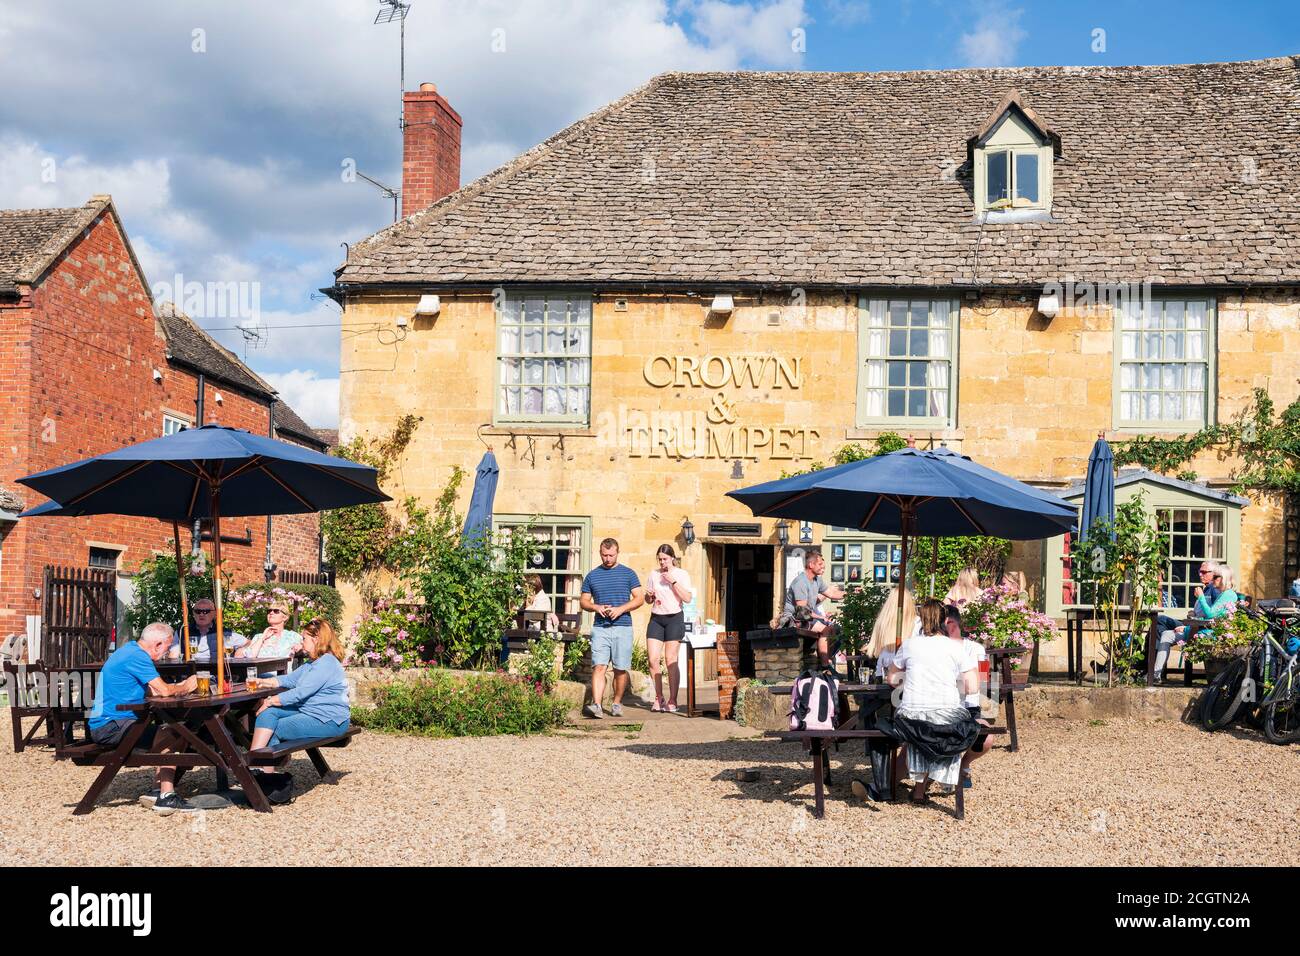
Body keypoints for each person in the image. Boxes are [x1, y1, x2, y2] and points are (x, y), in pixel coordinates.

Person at [88, 622, 199, 815]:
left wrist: (174, 688)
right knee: (173, 734)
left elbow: (150, 689)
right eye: (167, 647)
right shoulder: (137, 656)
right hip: (110, 726)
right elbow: (163, 690)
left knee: (174, 731)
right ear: (157, 644)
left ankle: (158, 791)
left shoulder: (130, 650)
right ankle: (166, 796)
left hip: (113, 721)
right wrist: (186, 686)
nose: (167, 652)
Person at [885, 599, 979, 803]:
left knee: (925, 728)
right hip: (947, 716)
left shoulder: (909, 645)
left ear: (921, 619)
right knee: (945, 725)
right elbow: (972, 687)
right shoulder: (955, 647)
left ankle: (915, 790)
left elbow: (892, 679)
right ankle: (940, 781)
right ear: (945, 620)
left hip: (911, 718)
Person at [250, 619, 349, 749]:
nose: (301, 642)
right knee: (267, 714)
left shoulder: (326, 662)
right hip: (310, 712)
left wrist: (269, 701)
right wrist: (262, 682)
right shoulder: (312, 663)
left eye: (304, 638)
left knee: (273, 728)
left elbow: (300, 692)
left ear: (316, 638)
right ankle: (258, 764)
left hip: (329, 720)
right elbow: (289, 679)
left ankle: (259, 766)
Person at [580, 538, 645, 719]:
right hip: (600, 628)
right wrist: (596, 607)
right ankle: (597, 705)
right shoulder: (592, 576)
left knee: (620, 668)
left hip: (622, 627)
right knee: (599, 667)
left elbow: (639, 598)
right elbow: (584, 601)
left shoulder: (628, 574)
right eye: (604, 555)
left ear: (617, 553)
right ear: (600, 553)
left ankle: (616, 702)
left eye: (611, 555)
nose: (607, 558)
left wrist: (620, 609)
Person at [1153, 562, 1240, 682]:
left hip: (1211, 633)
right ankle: (1156, 674)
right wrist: (1190, 622)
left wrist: (1201, 597)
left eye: (1215, 577)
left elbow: (1210, 615)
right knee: (1166, 634)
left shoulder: (1227, 595)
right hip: (1203, 629)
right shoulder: (1222, 594)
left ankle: (1154, 672)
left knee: (1161, 622)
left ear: (1223, 578)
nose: (1213, 579)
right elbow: (1210, 617)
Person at [944, 605, 992, 788]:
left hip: (968, 705)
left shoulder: (976, 648)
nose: (948, 627)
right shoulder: (935, 648)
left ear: (959, 623)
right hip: (942, 705)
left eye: (951, 623)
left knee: (985, 737)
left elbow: (983, 678)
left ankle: (964, 764)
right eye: (944, 623)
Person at [644, 544, 694, 713]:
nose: (662, 563)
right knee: (652, 659)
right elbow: (648, 599)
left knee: (670, 659)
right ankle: (659, 697)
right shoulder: (653, 574)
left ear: (672, 558)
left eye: (665, 559)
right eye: (660, 559)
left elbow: (687, 598)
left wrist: (672, 581)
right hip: (657, 618)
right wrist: (649, 596)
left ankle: (673, 699)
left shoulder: (681, 574)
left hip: (674, 618)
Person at [781, 548, 845, 665]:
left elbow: (831, 594)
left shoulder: (816, 580)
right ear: (811, 564)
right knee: (826, 629)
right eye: (820, 564)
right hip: (793, 619)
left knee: (836, 630)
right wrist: (822, 618)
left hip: (805, 617)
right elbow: (803, 613)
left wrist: (850, 594)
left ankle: (826, 660)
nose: (823, 567)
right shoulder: (801, 582)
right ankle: (825, 666)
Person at [867, 586, 921, 678]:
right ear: (909, 602)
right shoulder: (917, 622)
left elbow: (874, 649)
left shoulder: (881, 622)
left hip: (884, 673)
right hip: (907, 673)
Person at [169, 598, 247, 661]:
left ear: (215, 614)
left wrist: (242, 649)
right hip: (190, 674)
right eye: (198, 611)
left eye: (206, 611)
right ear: (193, 613)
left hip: (216, 674)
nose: (201, 614)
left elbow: (248, 642)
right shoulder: (183, 632)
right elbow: (173, 656)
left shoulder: (224, 632)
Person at [236, 599, 302, 662]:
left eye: (276, 611)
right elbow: (250, 656)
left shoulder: (293, 636)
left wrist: (301, 647)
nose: (271, 613)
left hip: (282, 673)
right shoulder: (258, 637)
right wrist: (262, 638)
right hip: (260, 673)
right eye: (269, 611)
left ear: (285, 617)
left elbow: (309, 647)